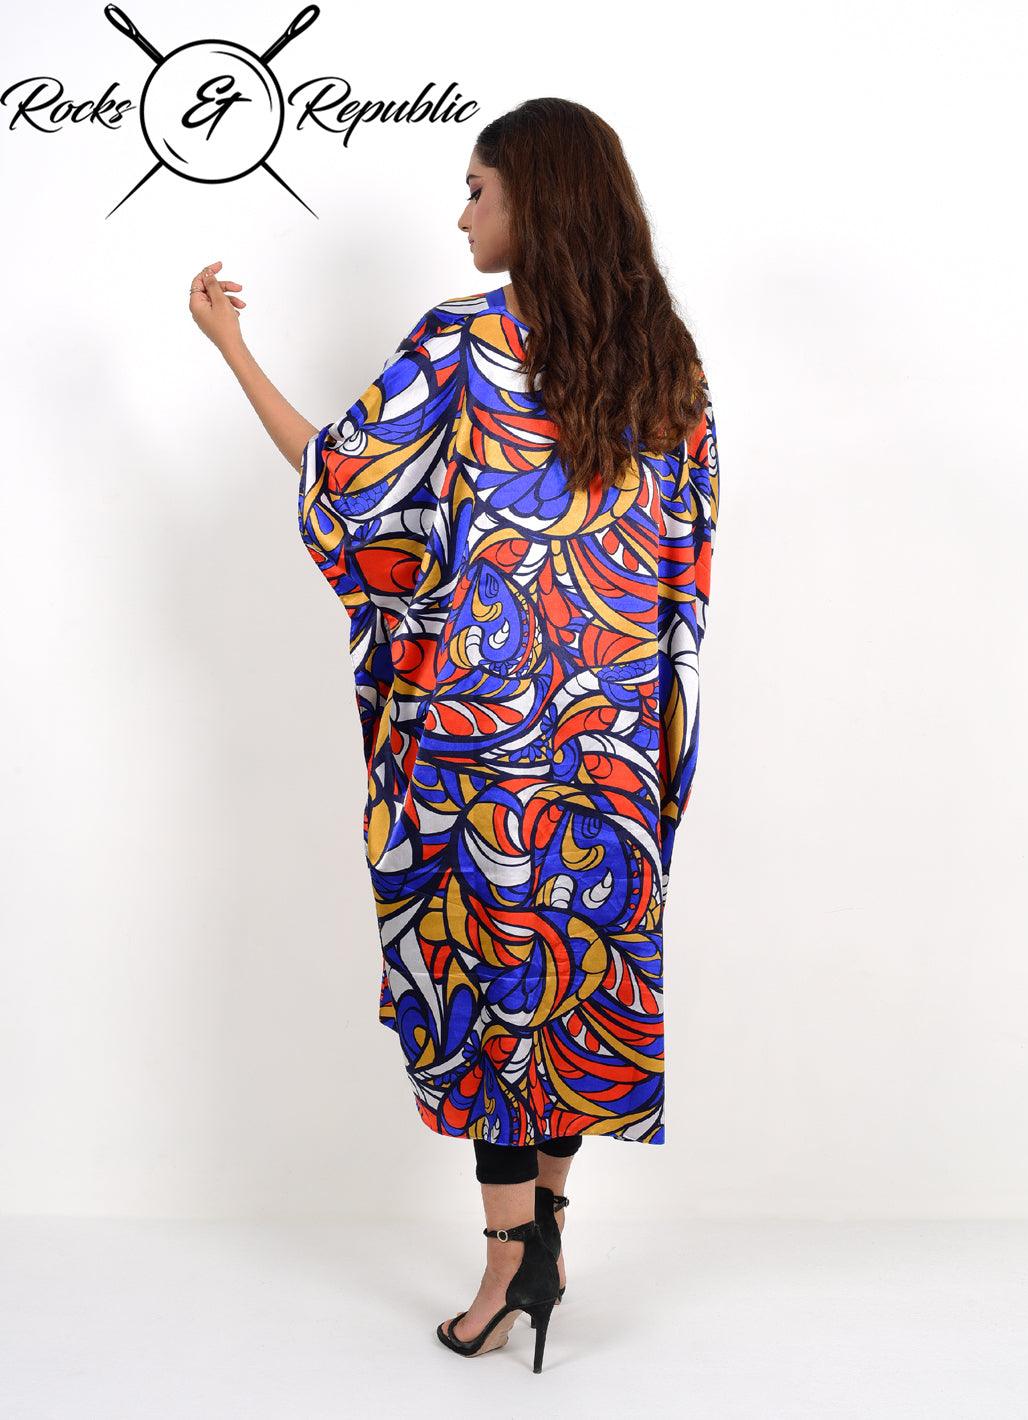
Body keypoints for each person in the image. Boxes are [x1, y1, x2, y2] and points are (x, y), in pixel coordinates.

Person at [190, 96, 719, 1372]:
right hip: (611, 748)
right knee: (572, 987)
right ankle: (546, 1248)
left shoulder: (464, 345)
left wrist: (230, 348)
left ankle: (502, 1269)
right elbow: (685, 572)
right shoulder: (670, 363)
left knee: (492, 1000)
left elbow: (343, 490)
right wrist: (654, 740)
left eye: (477, 188)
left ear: (535, 198)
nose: (462, 213)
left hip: (482, 749)